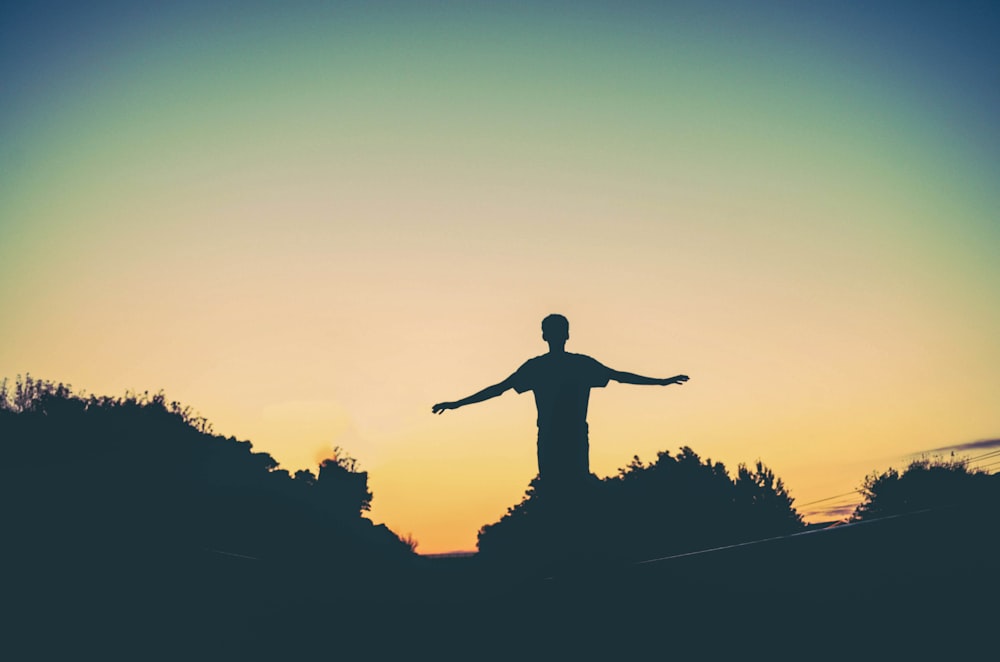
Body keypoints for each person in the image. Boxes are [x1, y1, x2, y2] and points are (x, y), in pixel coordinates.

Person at [432, 314, 688, 488]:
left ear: (545, 336)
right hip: (567, 438)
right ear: (566, 335)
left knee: (560, 491)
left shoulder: (544, 367)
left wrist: (457, 404)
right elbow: (619, 376)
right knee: (570, 490)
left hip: (560, 438)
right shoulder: (575, 364)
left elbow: (498, 389)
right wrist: (661, 382)